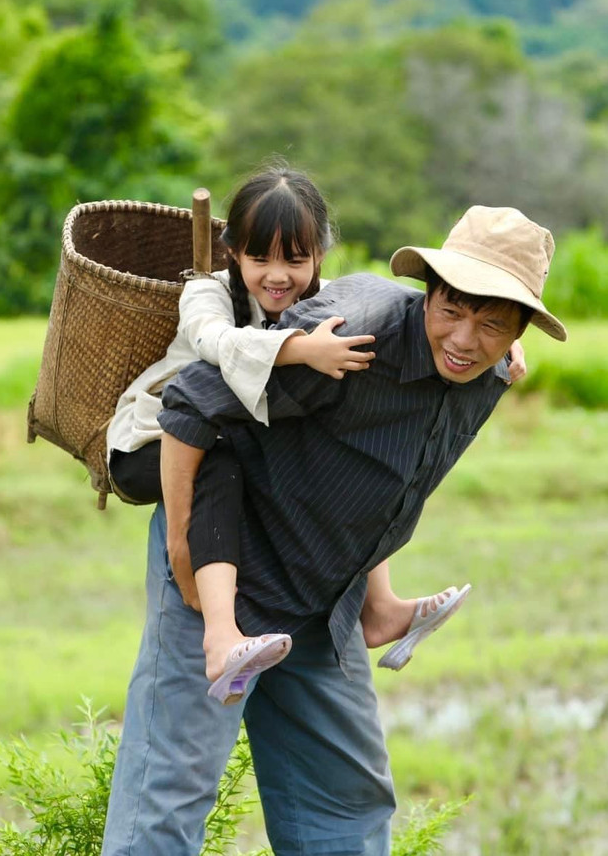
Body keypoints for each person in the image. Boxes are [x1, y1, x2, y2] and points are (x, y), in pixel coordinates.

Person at [101, 204, 566, 855]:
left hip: (323, 596)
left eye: (492, 322)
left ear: (521, 328)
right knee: (168, 803)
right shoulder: (353, 336)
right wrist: (181, 548)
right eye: (453, 311)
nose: (465, 338)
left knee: (347, 805)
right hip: (224, 566)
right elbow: (190, 404)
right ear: (428, 291)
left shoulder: (490, 370)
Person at [104, 166, 486, 703]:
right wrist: (301, 349)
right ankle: (219, 636)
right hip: (157, 441)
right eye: (260, 259)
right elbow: (213, 346)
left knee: (345, 451)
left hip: (237, 435)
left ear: (319, 255)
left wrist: (495, 335)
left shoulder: (326, 301)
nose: (278, 276)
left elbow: (404, 309)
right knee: (221, 462)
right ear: (233, 252)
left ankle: (382, 609)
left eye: (295, 260)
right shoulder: (208, 294)